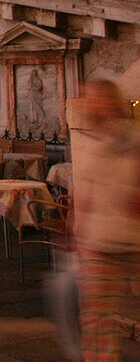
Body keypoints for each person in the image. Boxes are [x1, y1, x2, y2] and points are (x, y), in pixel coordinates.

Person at [71, 79, 140, 362]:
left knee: (99, 326)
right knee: (98, 326)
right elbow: (88, 195)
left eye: (92, 99)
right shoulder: (93, 140)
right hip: (100, 245)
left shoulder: (130, 141)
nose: (86, 105)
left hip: (127, 239)